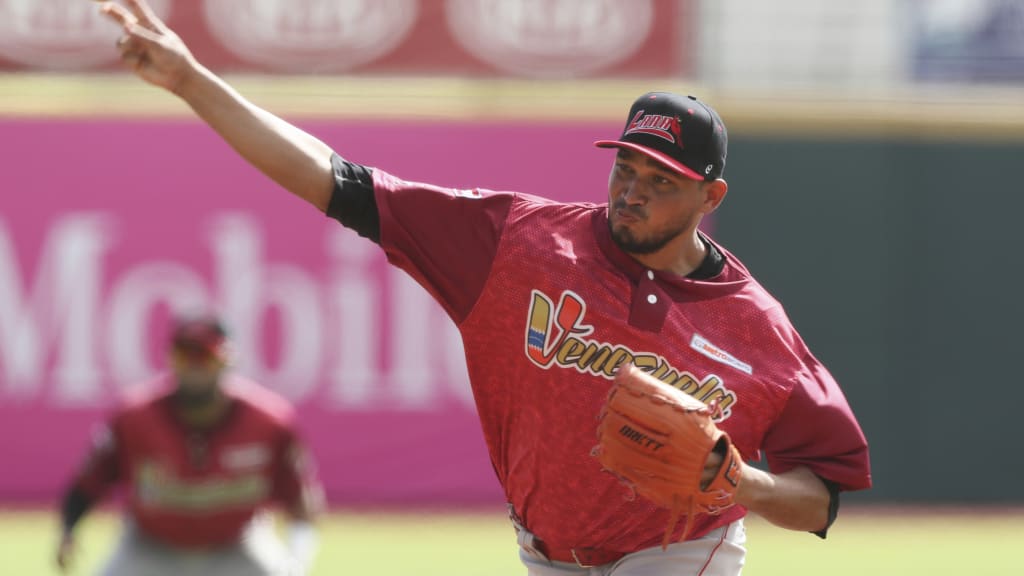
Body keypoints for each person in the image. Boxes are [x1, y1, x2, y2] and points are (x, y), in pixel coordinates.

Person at [94, 1, 872, 574]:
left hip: (678, 551)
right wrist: (192, 81)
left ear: (711, 196)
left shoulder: (752, 324)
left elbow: (824, 493)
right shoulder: (519, 243)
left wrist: (743, 481)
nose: (633, 192)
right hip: (545, 553)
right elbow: (334, 181)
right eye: (626, 168)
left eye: (661, 181)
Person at [55, 311, 324, 576]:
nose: (195, 368)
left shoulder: (268, 423)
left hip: (236, 543)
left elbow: (301, 499)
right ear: (171, 359)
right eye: (185, 356)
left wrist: (297, 559)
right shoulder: (134, 419)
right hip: (150, 545)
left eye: (205, 357)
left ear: (227, 360)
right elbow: (89, 481)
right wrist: (69, 530)